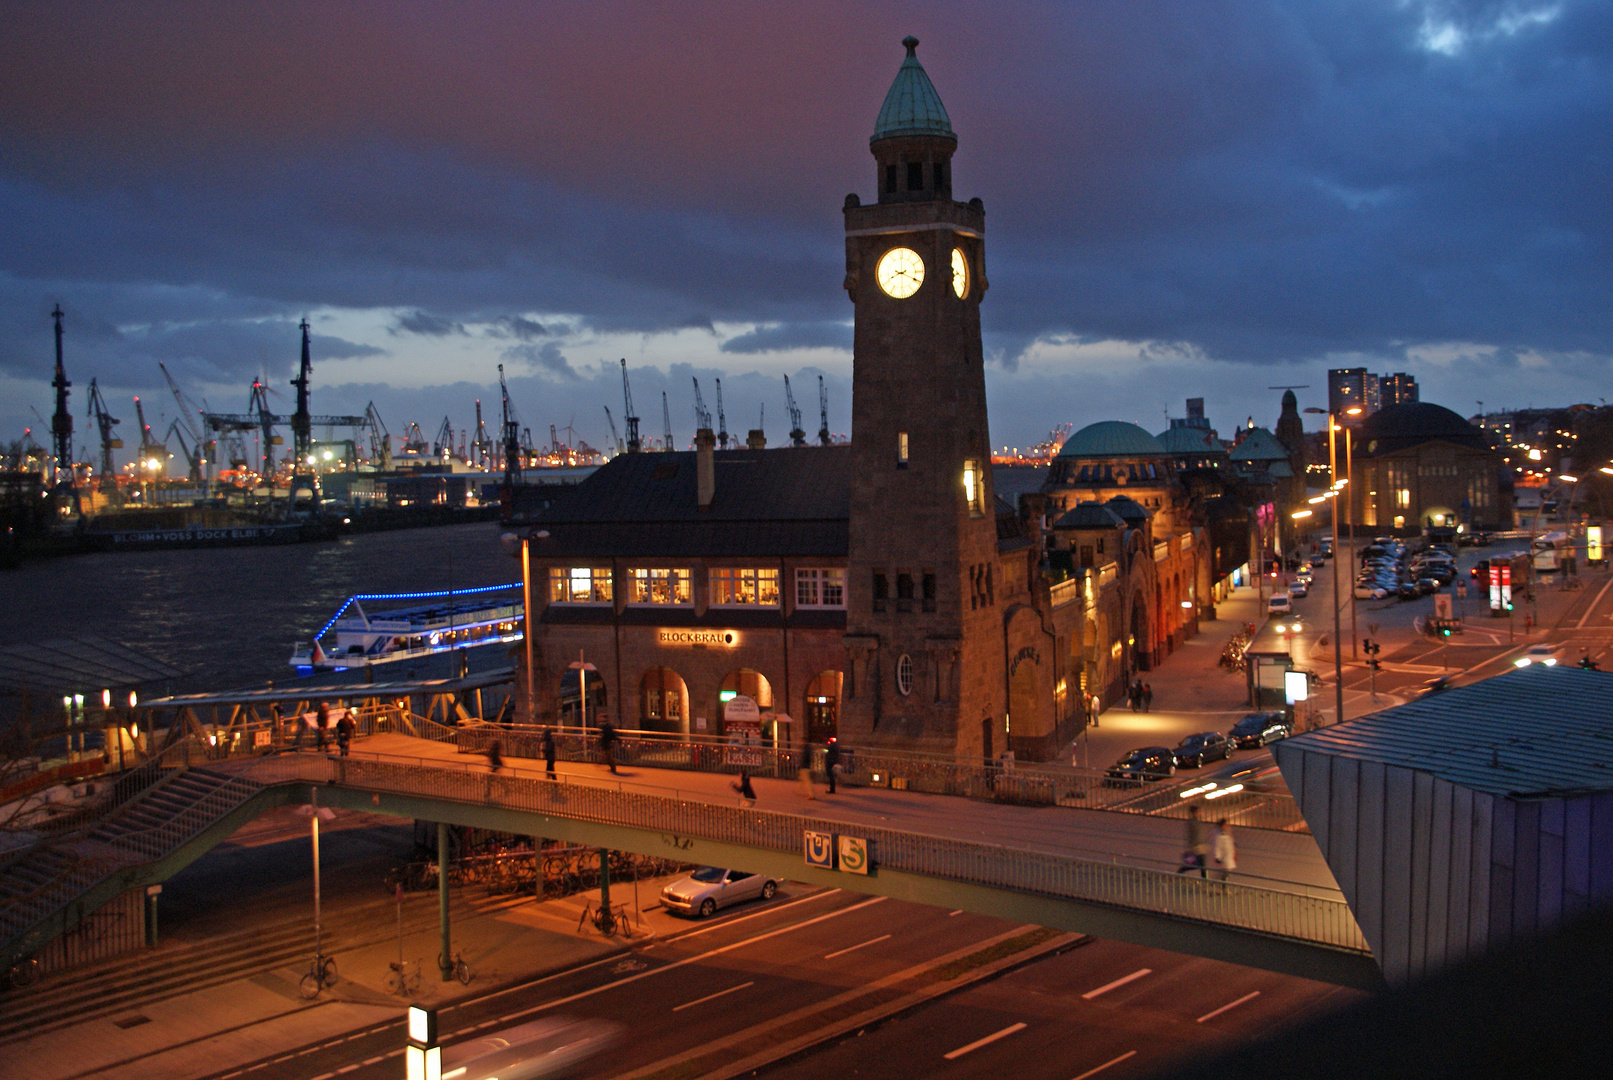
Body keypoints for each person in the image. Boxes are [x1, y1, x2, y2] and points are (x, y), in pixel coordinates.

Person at [1176, 805, 1207, 877]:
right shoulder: (1191, 822)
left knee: (1202, 864)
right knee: (1197, 864)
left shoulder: (1198, 821)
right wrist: (1190, 847)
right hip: (1196, 847)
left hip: (1200, 846)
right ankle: (1182, 869)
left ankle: (1204, 879)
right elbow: (1191, 835)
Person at [1212, 818, 1236, 883]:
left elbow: (1231, 844)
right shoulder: (1219, 835)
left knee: (1225, 872)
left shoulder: (1227, 833)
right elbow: (1217, 847)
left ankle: (1215, 882)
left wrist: (1234, 853)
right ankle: (1223, 887)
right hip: (1224, 857)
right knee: (1226, 872)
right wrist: (1217, 857)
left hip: (1229, 855)